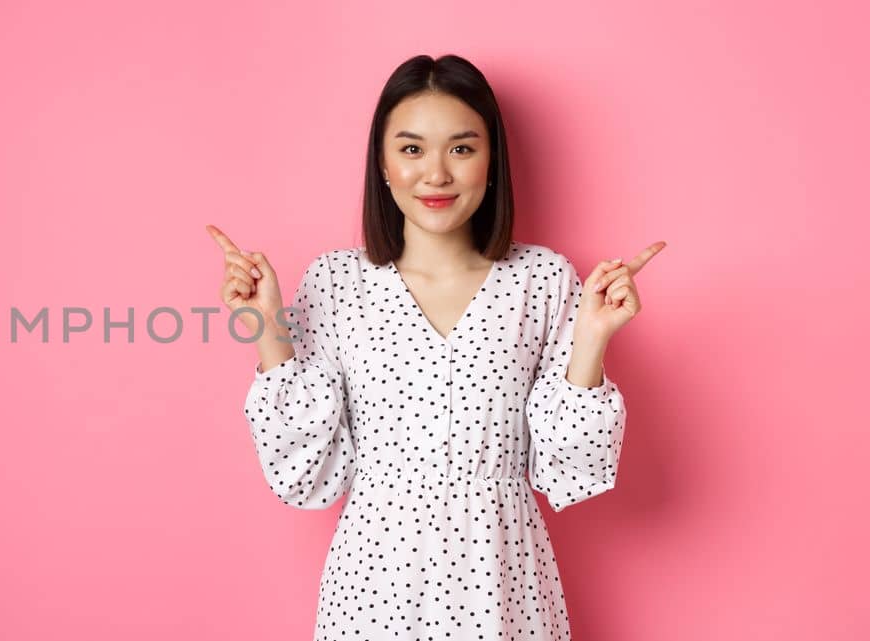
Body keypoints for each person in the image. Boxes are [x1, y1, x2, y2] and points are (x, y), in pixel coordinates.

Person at [205, 54, 664, 640]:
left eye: (463, 148)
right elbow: (307, 474)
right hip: (373, 589)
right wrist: (268, 326)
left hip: (502, 583)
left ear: (492, 160)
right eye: (413, 149)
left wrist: (592, 339)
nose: (437, 175)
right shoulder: (336, 283)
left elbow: (567, 475)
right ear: (383, 164)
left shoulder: (543, 280)